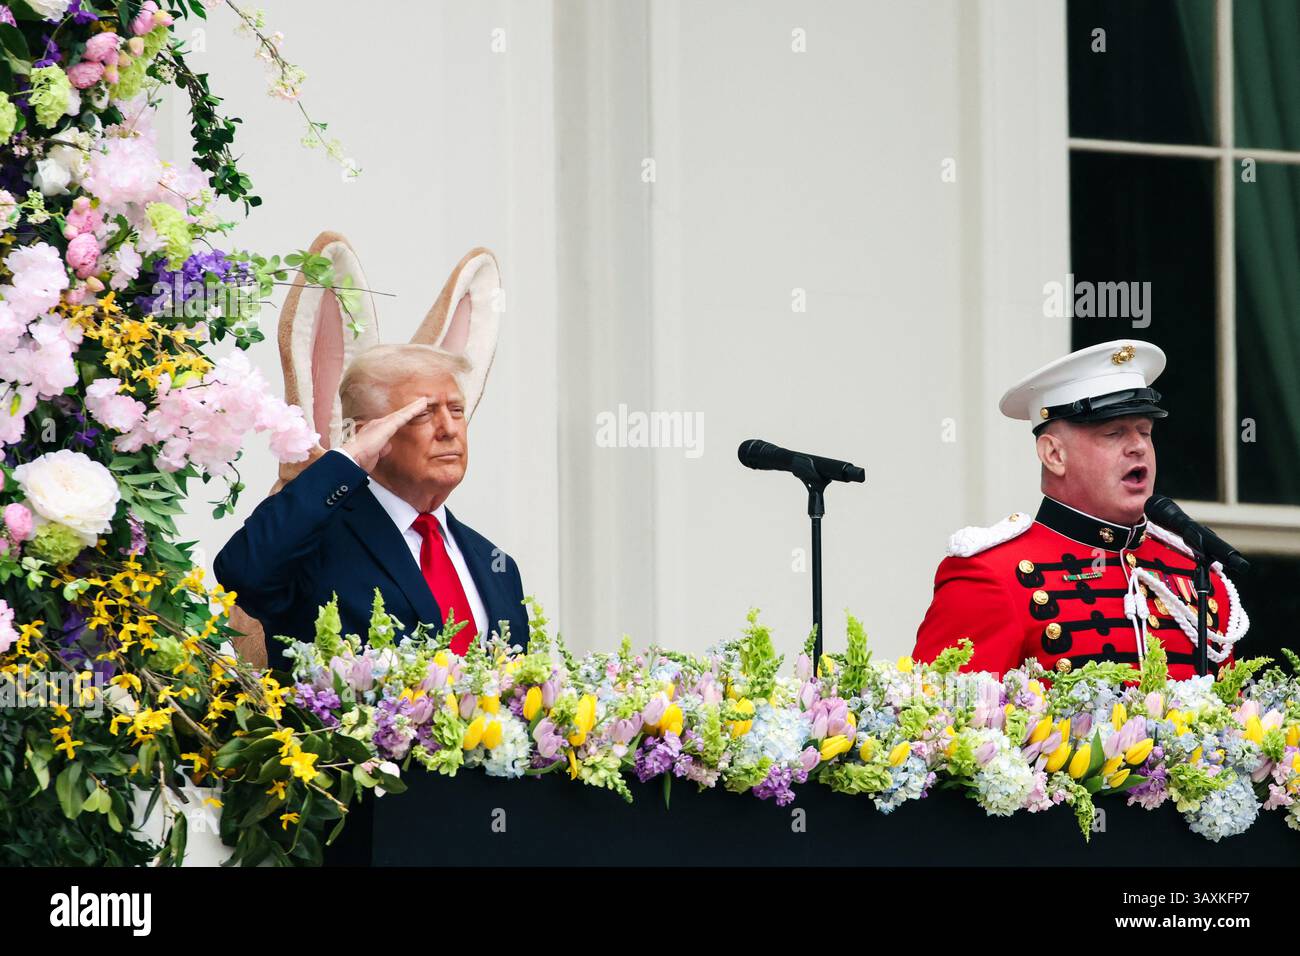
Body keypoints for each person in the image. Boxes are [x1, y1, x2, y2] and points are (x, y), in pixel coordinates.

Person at [913, 339, 1248, 680]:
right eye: (1114, 433)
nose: (1138, 447)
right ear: (1054, 455)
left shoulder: (1196, 572)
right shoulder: (992, 575)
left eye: (1145, 432)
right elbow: (941, 724)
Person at [214, 344, 529, 669]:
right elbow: (242, 570)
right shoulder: (318, 540)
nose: (449, 429)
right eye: (423, 413)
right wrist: (348, 461)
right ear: (371, 434)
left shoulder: (495, 564)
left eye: (457, 410)